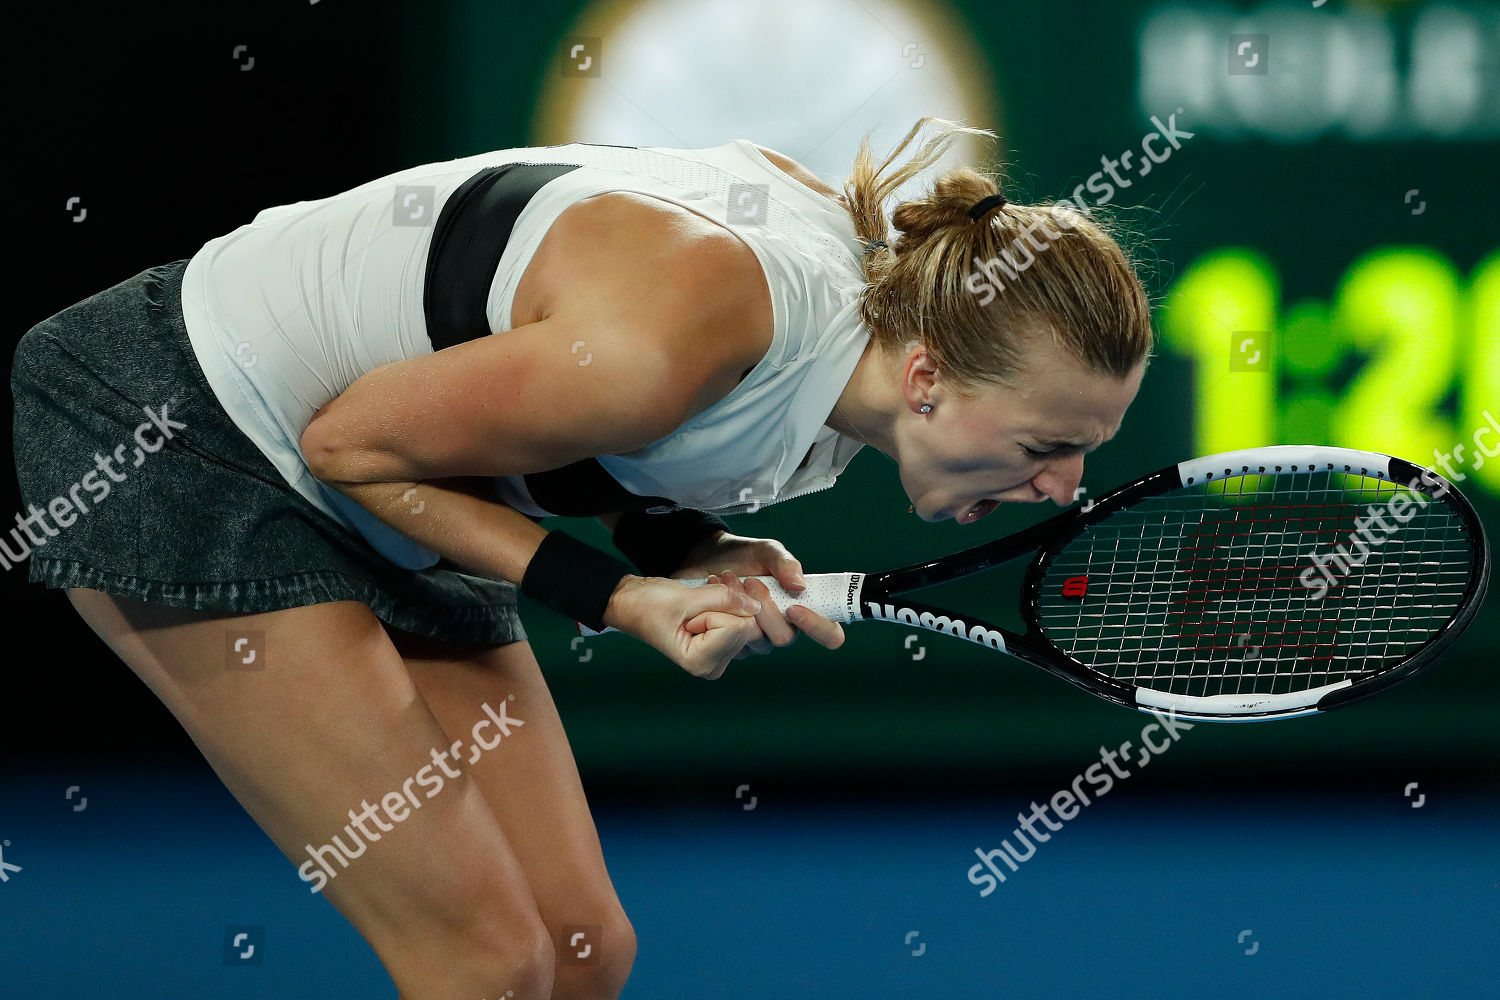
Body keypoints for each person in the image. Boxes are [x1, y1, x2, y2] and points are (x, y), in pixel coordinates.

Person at [9, 117, 1151, 999]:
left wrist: (692, 543)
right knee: (485, 964)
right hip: (183, 425)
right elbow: (347, 443)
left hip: (400, 476)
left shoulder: (843, 342)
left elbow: (552, 434)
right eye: (1048, 446)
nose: (1063, 491)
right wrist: (616, 595)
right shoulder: (685, 332)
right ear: (926, 379)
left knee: (580, 949)